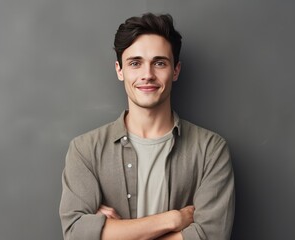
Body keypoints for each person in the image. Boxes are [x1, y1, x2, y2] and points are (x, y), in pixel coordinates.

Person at [59, 13, 235, 240]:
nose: (147, 75)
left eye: (159, 63)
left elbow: (211, 236)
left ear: (176, 70)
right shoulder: (85, 150)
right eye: (135, 63)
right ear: (119, 70)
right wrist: (172, 220)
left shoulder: (211, 150)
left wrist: (113, 233)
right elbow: (75, 233)